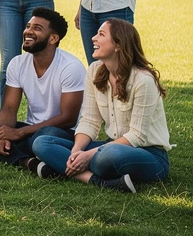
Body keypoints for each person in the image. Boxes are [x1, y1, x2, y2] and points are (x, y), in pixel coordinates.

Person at [32, 20, 170, 192]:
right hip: (109, 146)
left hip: (149, 154)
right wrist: (76, 151)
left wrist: (88, 155)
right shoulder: (94, 70)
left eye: (101, 34)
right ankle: (99, 182)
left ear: (118, 45)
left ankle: (60, 166)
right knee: (42, 143)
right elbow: (90, 120)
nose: (93, 38)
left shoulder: (143, 80)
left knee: (106, 157)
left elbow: (137, 136)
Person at [0, 8, 84, 170]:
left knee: (43, 137)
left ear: (53, 38)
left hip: (62, 132)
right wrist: (4, 136)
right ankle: (26, 161)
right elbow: (9, 108)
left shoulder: (70, 67)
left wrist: (19, 133)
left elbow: (68, 119)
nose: (28, 31)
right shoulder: (18, 63)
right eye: (28, 26)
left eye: (37, 28)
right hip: (31, 129)